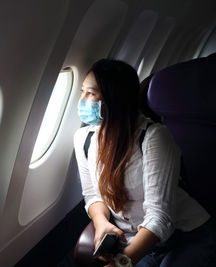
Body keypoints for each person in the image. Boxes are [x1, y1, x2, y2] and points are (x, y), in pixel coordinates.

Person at [73, 59, 216, 267]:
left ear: (115, 98)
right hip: (136, 239)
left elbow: (160, 217)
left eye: (91, 93)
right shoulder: (83, 139)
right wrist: (102, 223)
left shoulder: (153, 137)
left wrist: (122, 263)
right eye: (82, 91)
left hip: (186, 235)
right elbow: (92, 195)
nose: (82, 101)